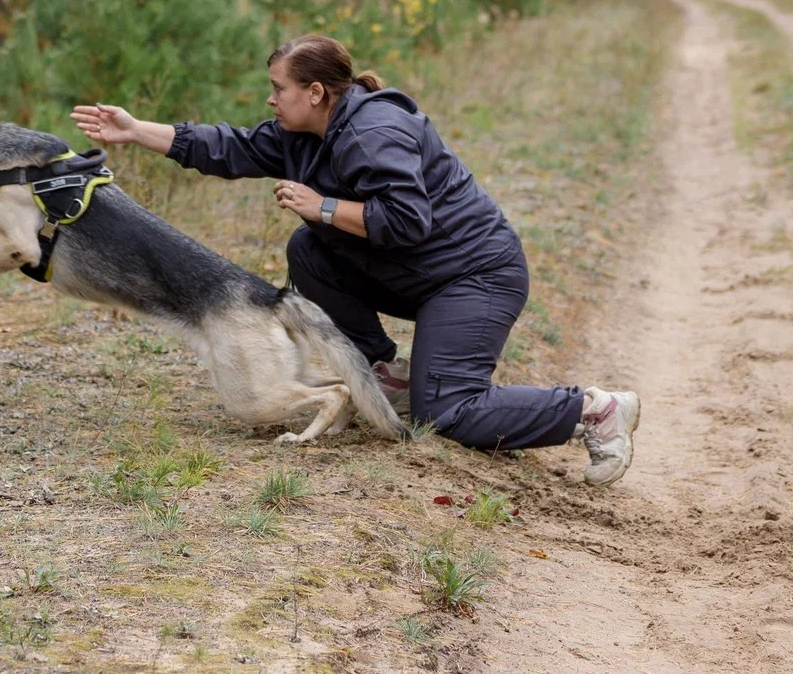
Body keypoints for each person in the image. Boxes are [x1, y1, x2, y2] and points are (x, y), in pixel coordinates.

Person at [71, 33, 640, 485]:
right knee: (308, 250)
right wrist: (135, 131)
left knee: (446, 409)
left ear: (315, 91)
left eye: (279, 88)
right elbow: (231, 147)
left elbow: (407, 219)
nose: (270, 100)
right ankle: (376, 371)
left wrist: (323, 206)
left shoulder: (374, 132)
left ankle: (593, 410)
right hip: (421, 273)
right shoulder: (305, 133)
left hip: (476, 277)